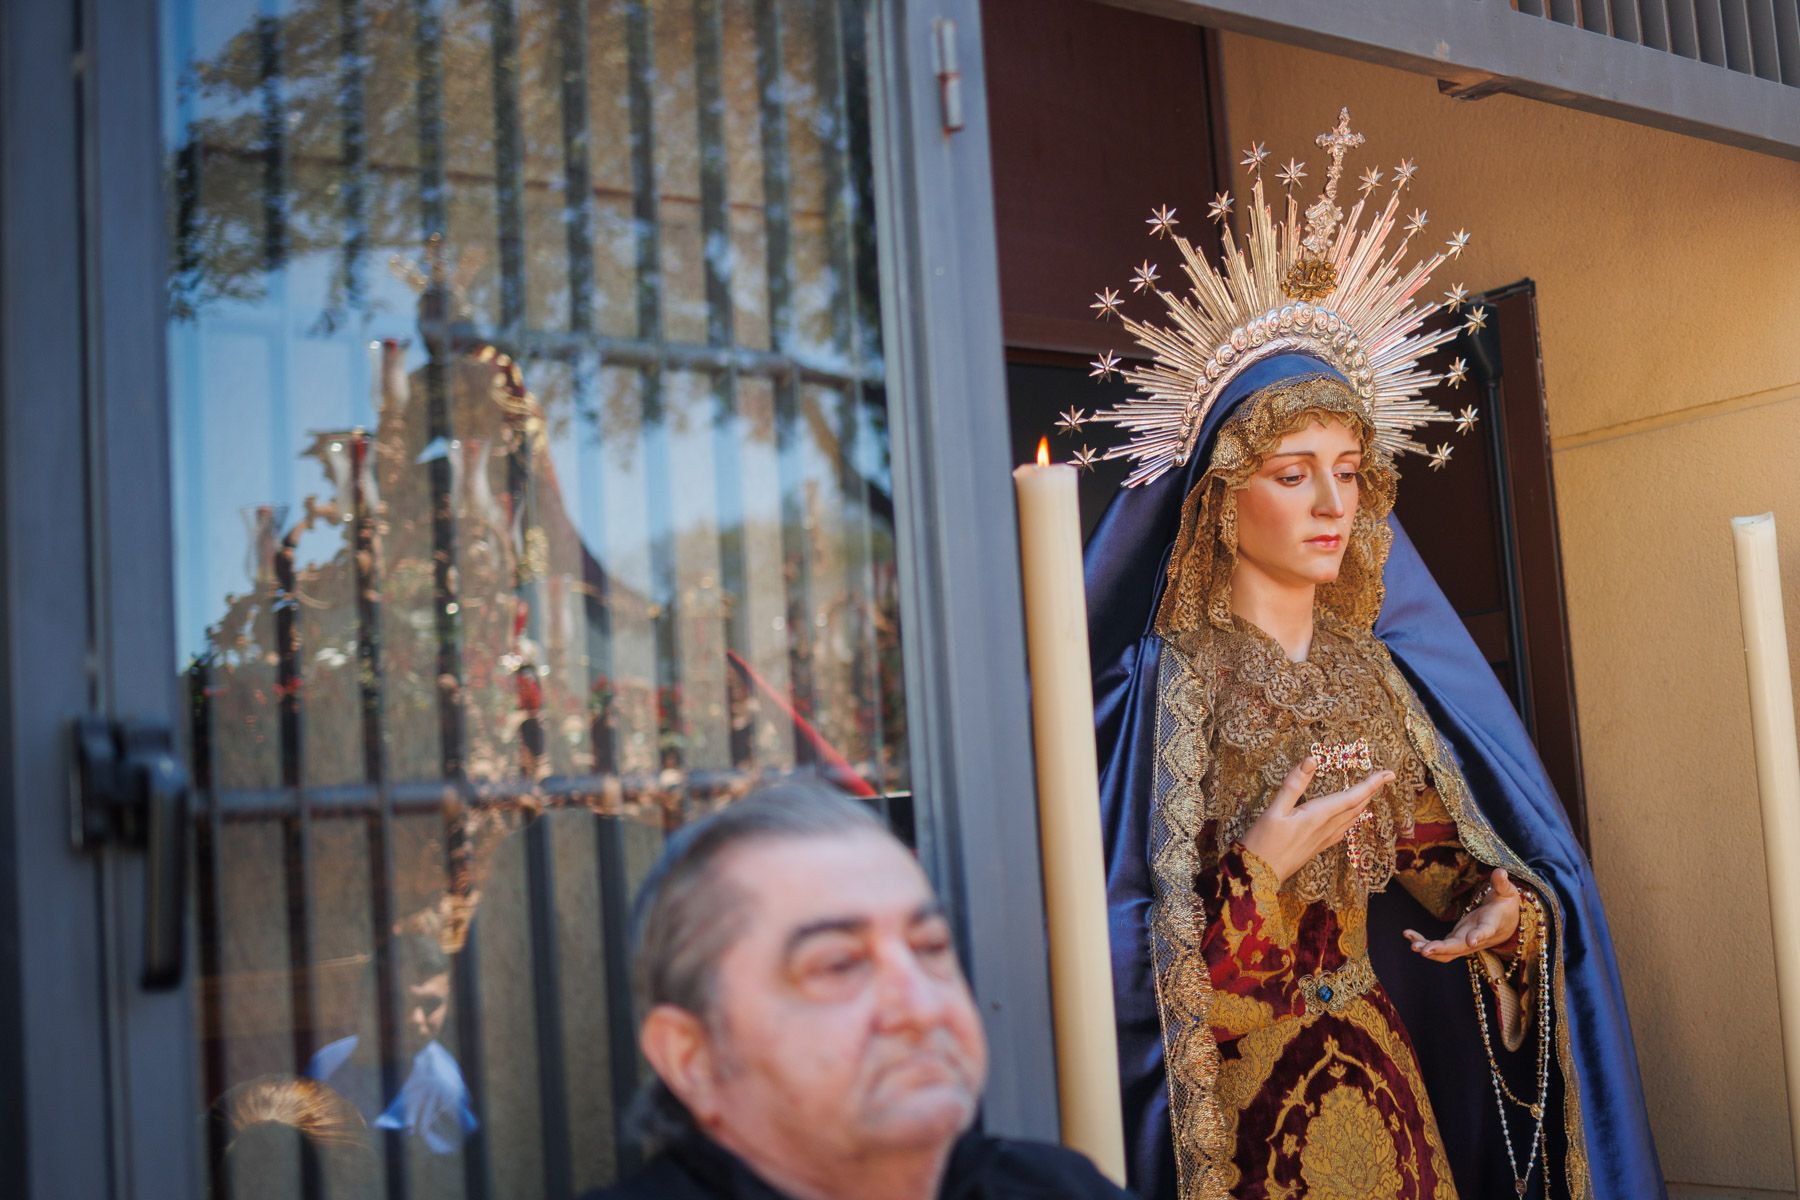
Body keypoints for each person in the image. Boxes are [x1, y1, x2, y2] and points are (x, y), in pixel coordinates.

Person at [1084, 112, 1664, 1198]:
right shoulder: (1169, 689)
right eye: (1293, 471)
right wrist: (1259, 867)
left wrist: (1505, 914)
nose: (1330, 504)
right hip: (1249, 1121)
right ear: (1222, 495)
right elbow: (1125, 978)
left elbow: (1449, 862)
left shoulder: (1376, 677)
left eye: (1348, 471)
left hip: (1386, 1091)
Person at [585, 781, 1131, 1200]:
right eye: (840, 965)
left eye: (930, 947)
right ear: (692, 1057)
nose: (920, 1007)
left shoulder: (1055, 1188)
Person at [307, 931, 478, 1154]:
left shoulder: (444, 1094)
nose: (415, 1019)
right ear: (364, 998)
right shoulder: (324, 1064)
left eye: (431, 1005)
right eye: (395, 1001)